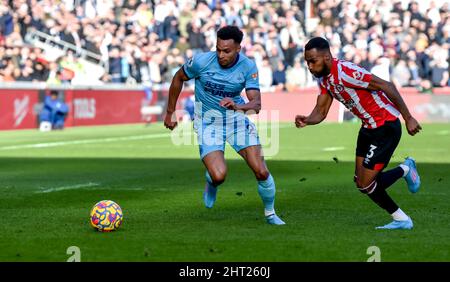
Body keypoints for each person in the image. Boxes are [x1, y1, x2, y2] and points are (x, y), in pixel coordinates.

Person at [295, 37, 422, 230]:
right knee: (361, 181)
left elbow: (387, 85)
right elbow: (321, 112)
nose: (310, 66)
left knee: (366, 184)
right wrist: (307, 120)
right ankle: (405, 170)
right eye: (307, 62)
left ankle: (402, 219)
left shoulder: (346, 72)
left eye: (313, 61)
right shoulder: (324, 79)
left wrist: (408, 117)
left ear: (327, 57)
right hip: (368, 128)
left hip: (385, 127)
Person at [164, 26, 285, 225]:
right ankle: (212, 182)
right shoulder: (202, 61)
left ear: (238, 48)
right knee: (219, 176)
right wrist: (170, 112)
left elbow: (256, 105)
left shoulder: (248, 67)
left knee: (261, 170)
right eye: (218, 49)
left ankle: (270, 213)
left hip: (235, 120)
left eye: (226, 51)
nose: (221, 55)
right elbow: (178, 77)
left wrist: (237, 106)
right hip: (208, 123)